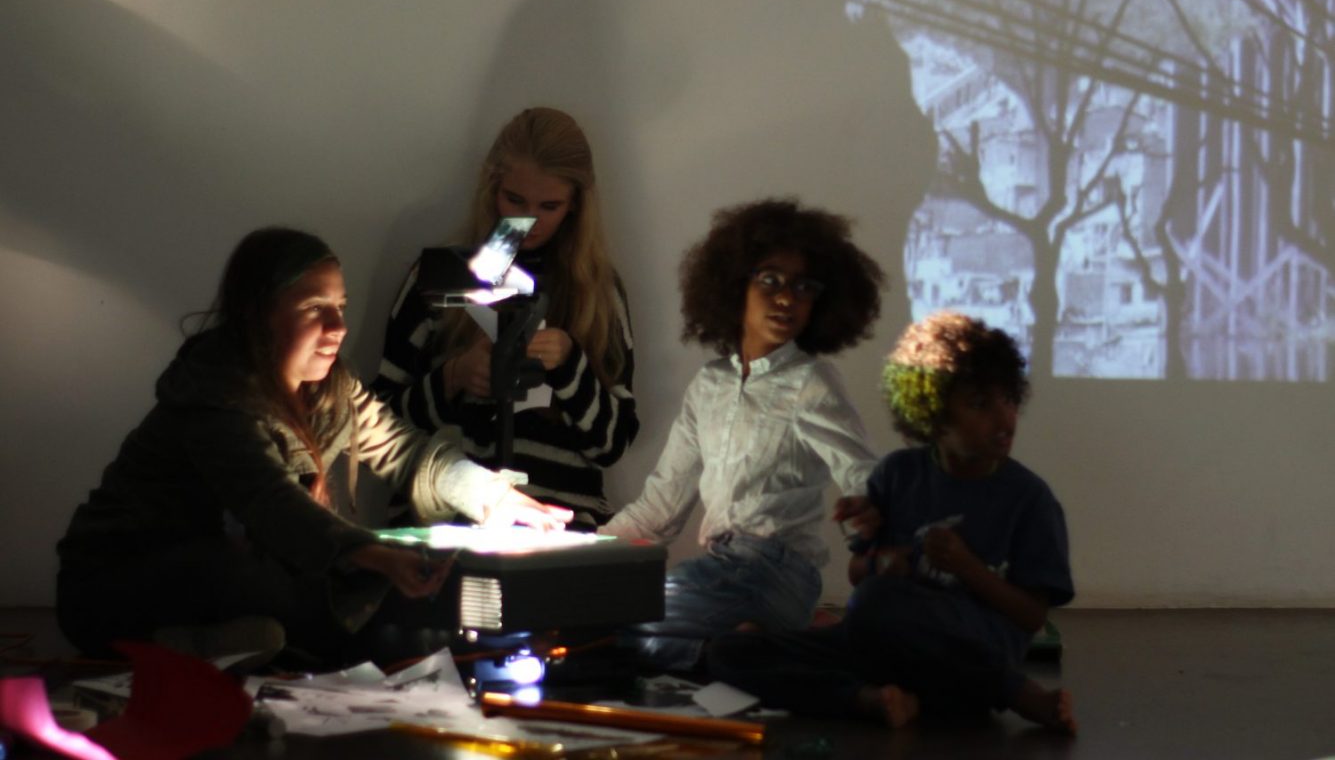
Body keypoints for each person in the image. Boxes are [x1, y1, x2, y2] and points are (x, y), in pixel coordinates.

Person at [56, 227, 569, 663]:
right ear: (259, 315)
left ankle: (225, 645)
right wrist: (366, 551)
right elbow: (270, 502)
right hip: (114, 586)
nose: (338, 328)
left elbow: (404, 451)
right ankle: (214, 643)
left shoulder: (334, 390)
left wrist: (492, 496)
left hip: (239, 582)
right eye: (314, 308)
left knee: (354, 593)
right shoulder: (212, 396)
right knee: (250, 570)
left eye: (341, 307)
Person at [707, 311, 1077, 734]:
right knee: (730, 651)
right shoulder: (897, 474)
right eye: (979, 404)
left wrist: (967, 567)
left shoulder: (1030, 499)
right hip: (881, 645)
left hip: (970, 656)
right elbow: (859, 574)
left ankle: (1015, 692)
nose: (1004, 419)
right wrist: (881, 562)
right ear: (933, 412)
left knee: (879, 604)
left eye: (1009, 400)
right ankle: (870, 701)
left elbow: (1031, 616)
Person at [602, 198, 884, 671]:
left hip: (776, 572)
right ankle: (750, 655)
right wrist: (577, 550)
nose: (786, 298)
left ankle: (763, 649)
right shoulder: (708, 386)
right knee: (601, 623)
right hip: (720, 571)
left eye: (803, 287)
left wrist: (877, 540)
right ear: (734, 285)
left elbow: (863, 477)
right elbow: (660, 511)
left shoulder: (810, 383)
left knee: (617, 630)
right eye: (770, 279)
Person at [373, 107, 636, 529]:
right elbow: (375, 428)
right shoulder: (441, 276)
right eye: (514, 200)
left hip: (563, 525)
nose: (528, 221)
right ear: (492, 186)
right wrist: (453, 378)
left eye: (549, 206)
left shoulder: (597, 291)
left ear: (575, 205)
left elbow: (613, 444)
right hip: (452, 523)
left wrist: (569, 363)